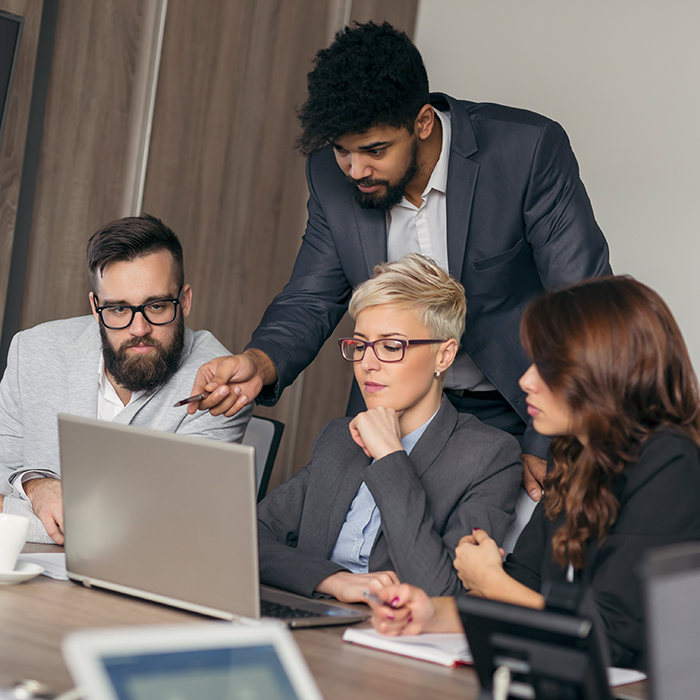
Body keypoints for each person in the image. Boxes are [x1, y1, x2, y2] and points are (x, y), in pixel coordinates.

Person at [188, 21, 611, 502]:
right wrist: (258, 361)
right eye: (342, 152)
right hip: (390, 411)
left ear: (423, 122)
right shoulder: (332, 176)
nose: (355, 170)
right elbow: (311, 296)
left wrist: (548, 438)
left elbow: (586, 303)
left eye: (375, 151)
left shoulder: (526, 151)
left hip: (516, 408)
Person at [366, 276, 700, 670]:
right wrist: (432, 614)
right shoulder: (577, 456)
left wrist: (490, 580)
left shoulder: (670, 463)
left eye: (547, 367)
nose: (526, 381)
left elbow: (612, 637)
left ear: (605, 369)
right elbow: (525, 587)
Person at [257, 254, 521, 602]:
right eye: (360, 345)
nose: (367, 364)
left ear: (444, 355)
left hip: (397, 638)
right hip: (313, 614)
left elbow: (443, 593)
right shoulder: (340, 436)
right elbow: (250, 536)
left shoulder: (490, 457)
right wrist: (332, 581)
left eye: (390, 346)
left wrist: (390, 456)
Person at [0, 214, 252, 544]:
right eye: (118, 309)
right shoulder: (32, 351)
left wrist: (14, 511)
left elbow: (157, 533)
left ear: (185, 300)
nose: (139, 329)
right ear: (95, 307)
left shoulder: (219, 383)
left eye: (157, 306)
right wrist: (37, 486)